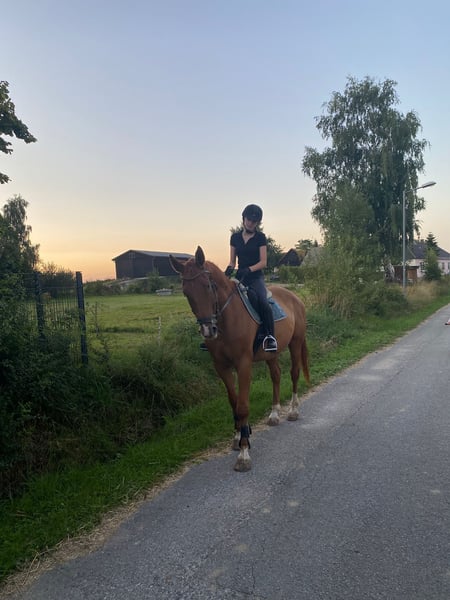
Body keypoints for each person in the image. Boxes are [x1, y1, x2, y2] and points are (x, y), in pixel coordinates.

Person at [224, 204, 277, 352]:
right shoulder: (235, 237)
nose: (251, 223)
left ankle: (269, 336)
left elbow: (263, 262)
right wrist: (228, 271)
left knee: (262, 301)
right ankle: (218, 337)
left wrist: (249, 269)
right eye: (249, 220)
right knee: (222, 299)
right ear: (243, 219)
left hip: (255, 278)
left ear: (257, 223)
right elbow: (232, 261)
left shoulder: (260, 238)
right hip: (240, 276)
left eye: (254, 221)